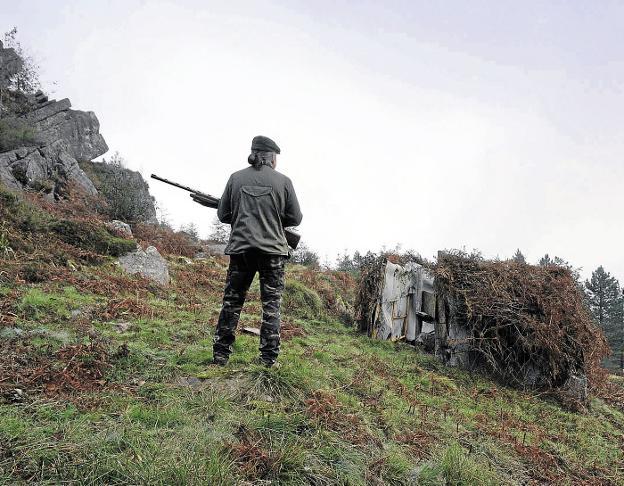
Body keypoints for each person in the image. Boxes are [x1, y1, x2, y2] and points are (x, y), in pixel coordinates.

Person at [212, 135, 302, 367]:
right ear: (271, 157)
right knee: (271, 305)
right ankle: (268, 359)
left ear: (254, 153)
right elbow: (296, 218)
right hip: (273, 253)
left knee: (232, 302)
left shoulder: (236, 178)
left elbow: (223, 215)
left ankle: (221, 355)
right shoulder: (284, 181)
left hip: (241, 250)